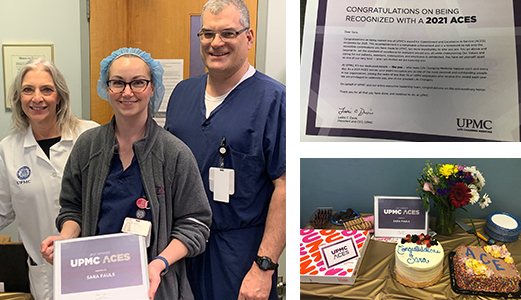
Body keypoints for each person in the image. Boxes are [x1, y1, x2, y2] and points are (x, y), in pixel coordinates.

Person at [40, 47, 212, 300]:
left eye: (138, 83)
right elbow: (72, 207)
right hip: (94, 283)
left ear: (152, 88)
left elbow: (195, 224)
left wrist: (159, 263)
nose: (127, 92)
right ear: (106, 88)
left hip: (154, 286)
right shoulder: (88, 147)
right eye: (118, 83)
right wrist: (65, 240)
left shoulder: (174, 154)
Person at [164, 1, 286, 299]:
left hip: (239, 255)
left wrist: (264, 267)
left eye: (228, 33)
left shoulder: (273, 99)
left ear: (249, 37)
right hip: (182, 247)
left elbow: (286, 186)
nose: (216, 43)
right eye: (207, 34)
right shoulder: (182, 93)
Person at [0, 58, 99, 300]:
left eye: (47, 89)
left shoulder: (90, 136)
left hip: (94, 262)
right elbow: (2, 211)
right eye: (28, 90)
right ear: (18, 98)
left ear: (60, 97)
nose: (37, 98)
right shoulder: (8, 149)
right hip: (44, 269)